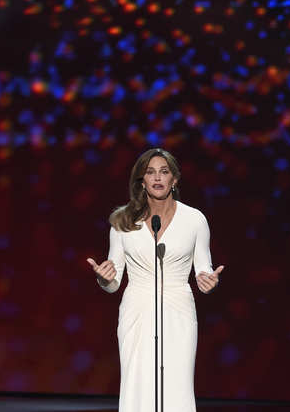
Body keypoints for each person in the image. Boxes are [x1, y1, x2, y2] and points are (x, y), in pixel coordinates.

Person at [87, 148, 224, 412]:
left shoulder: (195, 219)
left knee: (177, 383)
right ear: (141, 180)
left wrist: (209, 282)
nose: (157, 178)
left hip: (178, 308)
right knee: (137, 382)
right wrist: (105, 279)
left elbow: (203, 269)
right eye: (150, 172)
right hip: (136, 307)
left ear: (175, 179)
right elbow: (114, 280)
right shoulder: (123, 220)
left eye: (164, 171)